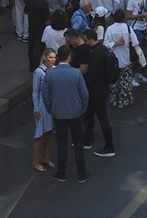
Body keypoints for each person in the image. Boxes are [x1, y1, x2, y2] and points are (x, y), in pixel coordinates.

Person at [42, 45, 91, 183]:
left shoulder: (50, 74)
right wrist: (83, 108)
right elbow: (85, 94)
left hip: (58, 113)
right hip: (75, 113)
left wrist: (51, 108)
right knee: (78, 143)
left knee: (62, 144)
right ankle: (82, 173)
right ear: (69, 56)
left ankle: (61, 173)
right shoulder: (76, 73)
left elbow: (45, 95)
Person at [81, 28, 116, 156]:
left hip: (96, 90)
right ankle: (87, 139)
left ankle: (109, 146)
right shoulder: (103, 50)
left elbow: (91, 75)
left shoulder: (96, 54)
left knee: (101, 117)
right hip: (101, 88)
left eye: (85, 40)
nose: (84, 42)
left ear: (91, 39)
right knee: (89, 114)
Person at [105, 9, 137, 108]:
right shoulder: (128, 28)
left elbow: (105, 44)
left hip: (113, 60)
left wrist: (114, 44)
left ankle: (114, 100)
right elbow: (136, 42)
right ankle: (124, 100)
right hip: (126, 59)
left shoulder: (110, 29)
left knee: (114, 82)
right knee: (126, 81)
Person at [32, 48, 57, 172]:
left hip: (51, 106)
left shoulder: (54, 69)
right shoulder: (39, 72)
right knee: (40, 134)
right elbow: (35, 91)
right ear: (44, 58)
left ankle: (47, 157)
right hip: (42, 106)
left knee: (49, 133)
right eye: (50, 57)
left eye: (54, 57)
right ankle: (36, 160)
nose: (52, 60)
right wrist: (36, 108)